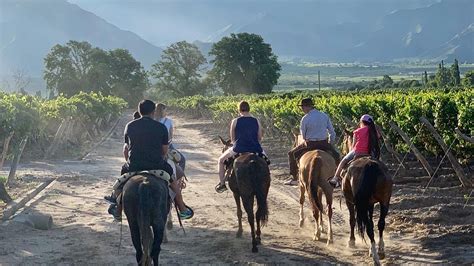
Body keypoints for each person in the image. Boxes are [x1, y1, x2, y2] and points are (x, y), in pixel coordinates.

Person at [106, 100, 193, 220]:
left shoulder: (129, 126)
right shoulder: (161, 127)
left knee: (121, 183)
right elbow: (164, 150)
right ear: (153, 112)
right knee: (173, 183)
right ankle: (182, 209)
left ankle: (118, 210)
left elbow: (127, 148)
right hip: (157, 165)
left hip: (134, 165)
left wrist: (130, 161)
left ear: (139, 111)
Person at [286, 98, 340, 186]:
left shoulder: (305, 118)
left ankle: (295, 178)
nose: (302, 109)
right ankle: (338, 178)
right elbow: (332, 132)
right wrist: (330, 143)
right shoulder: (324, 115)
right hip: (324, 143)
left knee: (291, 154)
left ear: (307, 107)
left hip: (310, 144)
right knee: (337, 156)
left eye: (302, 107)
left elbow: (304, 136)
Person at [215, 101, 264, 193]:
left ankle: (222, 184)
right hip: (255, 148)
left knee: (221, 160)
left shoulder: (235, 121)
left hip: (239, 148)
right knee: (266, 161)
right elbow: (259, 137)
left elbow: (233, 139)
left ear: (239, 110)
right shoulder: (256, 120)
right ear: (249, 109)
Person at [328, 114, 380, 188]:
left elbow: (353, 146)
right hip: (370, 153)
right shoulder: (374, 132)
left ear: (362, 122)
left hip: (358, 151)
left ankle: (335, 178)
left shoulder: (357, 131)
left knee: (343, 161)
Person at [155, 103, 186, 170]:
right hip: (167, 146)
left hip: (154, 146)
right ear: (162, 110)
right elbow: (170, 135)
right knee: (182, 160)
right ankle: (180, 179)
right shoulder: (168, 121)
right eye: (165, 110)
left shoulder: (153, 120)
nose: (166, 112)